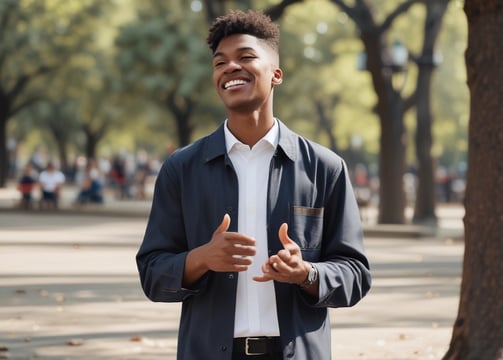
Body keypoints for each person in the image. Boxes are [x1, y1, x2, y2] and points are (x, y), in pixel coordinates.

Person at [136, 10, 371, 360]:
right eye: (220, 63)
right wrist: (201, 258)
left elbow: (355, 274)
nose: (230, 67)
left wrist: (306, 273)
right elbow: (152, 273)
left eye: (245, 57)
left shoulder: (325, 167)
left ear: (276, 74)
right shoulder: (181, 169)